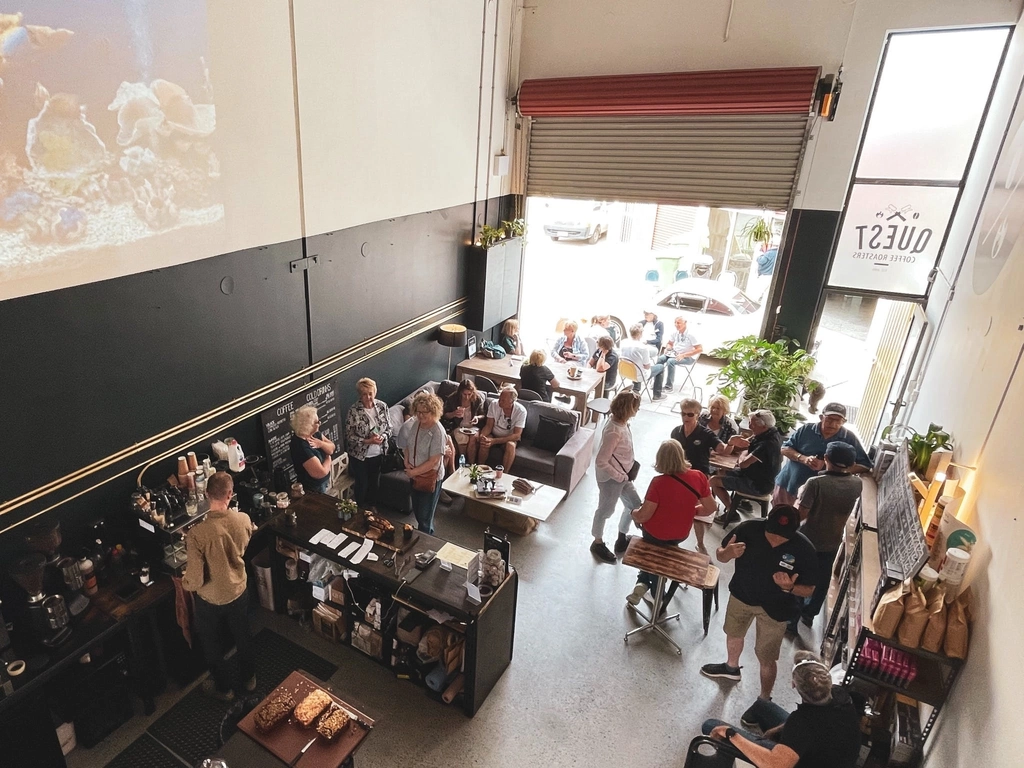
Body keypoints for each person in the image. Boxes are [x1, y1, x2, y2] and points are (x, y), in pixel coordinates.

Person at [700, 506, 817, 710]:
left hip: (776, 609)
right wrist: (727, 553)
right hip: (742, 595)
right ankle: (731, 667)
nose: (776, 540)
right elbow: (720, 554)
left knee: (767, 656)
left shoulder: (805, 549)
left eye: (783, 537)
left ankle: (764, 699)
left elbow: (809, 590)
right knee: (734, 633)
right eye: (772, 533)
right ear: (766, 522)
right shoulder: (748, 529)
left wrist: (789, 588)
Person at [702, 651, 862, 768]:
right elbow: (816, 723)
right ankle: (760, 740)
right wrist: (778, 731)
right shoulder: (841, 694)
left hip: (797, 761)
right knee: (762, 706)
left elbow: (776, 765)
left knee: (711, 725)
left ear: (793, 684)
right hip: (835, 755)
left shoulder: (801, 723)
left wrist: (731, 734)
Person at [182, 472, 256, 701]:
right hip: (238, 589)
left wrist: (184, 581)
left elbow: (195, 580)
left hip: (210, 599)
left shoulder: (196, 534)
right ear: (230, 494)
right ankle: (249, 679)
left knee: (211, 644)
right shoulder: (242, 519)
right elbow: (242, 544)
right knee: (242, 635)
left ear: (206, 495)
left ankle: (224, 689)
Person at [626, 440, 716, 605]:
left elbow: (645, 515)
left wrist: (633, 514)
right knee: (661, 552)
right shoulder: (698, 477)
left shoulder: (658, 483)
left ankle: (654, 591)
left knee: (651, 548)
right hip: (680, 534)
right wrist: (691, 511)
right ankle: (643, 583)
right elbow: (711, 507)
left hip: (655, 533)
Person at [792, 442, 863, 630]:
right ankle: (809, 614)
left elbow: (801, 514)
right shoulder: (857, 484)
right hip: (832, 540)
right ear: (851, 464)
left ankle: (792, 618)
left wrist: (799, 498)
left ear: (826, 459)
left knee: (799, 577)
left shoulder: (816, 483)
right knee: (821, 579)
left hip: (807, 539)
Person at [670, 398, 745, 552]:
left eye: (690, 414)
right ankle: (672, 537)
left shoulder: (705, 434)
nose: (685, 417)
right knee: (674, 507)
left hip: (699, 477)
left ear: (697, 415)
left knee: (699, 513)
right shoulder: (676, 431)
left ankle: (700, 543)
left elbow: (722, 449)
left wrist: (731, 443)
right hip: (679, 475)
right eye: (683, 413)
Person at [774, 402, 871, 508]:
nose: (833, 424)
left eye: (837, 421)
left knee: (803, 523)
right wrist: (803, 458)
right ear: (821, 417)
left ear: (844, 422)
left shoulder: (849, 438)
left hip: (818, 496)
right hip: (788, 485)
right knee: (778, 518)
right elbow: (784, 448)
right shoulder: (807, 429)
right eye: (829, 419)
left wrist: (835, 469)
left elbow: (865, 465)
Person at [590, 391, 643, 562]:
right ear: (628, 409)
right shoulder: (614, 430)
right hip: (611, 479)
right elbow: (601, 461)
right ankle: (597, 542)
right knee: (605, 510)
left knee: (634, 505)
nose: (638, 410)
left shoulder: (623, 423)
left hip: (623, 477)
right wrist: (619, 476)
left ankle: (622, 538)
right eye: (636, 407)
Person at [710, 409, 783, 526]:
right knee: (720, 471)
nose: (749, 426)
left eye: (752, 424)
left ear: (763, 426)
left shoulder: (768, 444)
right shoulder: (769, 432)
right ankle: (739, 503)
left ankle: (731, 512)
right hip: (754, 474)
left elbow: (743, 464)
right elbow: (745, 446)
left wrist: (742, 454)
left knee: (713, 481)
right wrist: (736, 444)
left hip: (759, 484)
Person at [396, 391, 447, 534]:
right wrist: (406, 461)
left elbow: (434, 461)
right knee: (418, 512)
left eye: (425, 412)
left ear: (433, 411)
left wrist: (414, 472)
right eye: (418, 412)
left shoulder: (438, 431)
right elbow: (408, 446)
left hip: (429, 477)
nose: (420, 415)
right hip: (414, 475)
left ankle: (427, 546)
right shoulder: (416, 424)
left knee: (425, 517)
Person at [345, 378, 393, 507]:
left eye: (370, 393)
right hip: (359, 456)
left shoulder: (382, 406)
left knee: (374, 483)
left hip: (378, 453)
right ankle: (360, 508)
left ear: (375, 392)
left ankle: (372, 506)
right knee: (362, 483)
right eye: (365, 394)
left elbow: (389, 428)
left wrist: (382, 436)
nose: (368, 397)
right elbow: (349, 436)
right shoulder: (353, 410)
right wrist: (368, 441)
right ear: (360, 395)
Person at [289, 404, 335, 494]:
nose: (319, 423)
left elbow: (332, 447)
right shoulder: (301, 447)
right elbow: (320, 472)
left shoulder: (314, 434)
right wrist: (328, 457)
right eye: (317, 422)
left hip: (323, 483)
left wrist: (321, 444)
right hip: (313, 488)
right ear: (308, 426)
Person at [479, 387, 527, 472]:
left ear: (511, 402)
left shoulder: (521, 411)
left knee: (511, 446)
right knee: (484, 442)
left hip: (509, 438)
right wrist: (482, 436)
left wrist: (494, 441)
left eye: (503, 400)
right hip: (493, 434)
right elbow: (489, 426)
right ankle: (479, 469)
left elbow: (516, 435)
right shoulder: (494, 404)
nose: (499, 402)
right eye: (499, 398)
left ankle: (504, 474)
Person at [442, 379, 487, 463]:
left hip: (473, 426)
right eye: (464, 394)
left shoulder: (477, 399)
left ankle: (471, 465)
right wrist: (454, 414)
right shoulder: (453, 399)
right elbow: (445, 415)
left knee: (473, 439)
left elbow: (483, 415)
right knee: (462, 438)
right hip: (458, 426)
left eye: (469, 394)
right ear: (460, 392)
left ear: (472, 392)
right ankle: (462, 463)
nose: (467, 397)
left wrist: (477, 417)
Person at [620, 324, 667, 400]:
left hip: (624, 371)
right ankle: (657, 395)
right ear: (640, 334)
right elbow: (647, 366)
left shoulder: (623, 342)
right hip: (638, 374)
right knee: (660, 367)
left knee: (637, 365)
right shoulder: (643, 347)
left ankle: (636, 389)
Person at [659, 316, 702, 392]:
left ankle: (669, 387)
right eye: (675, 322)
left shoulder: (691, 334)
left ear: (685, 323)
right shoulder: (675, 332)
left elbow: (699, 349)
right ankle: (657, 383)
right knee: (660, 359)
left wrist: (684, 355)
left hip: (687, 357)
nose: (676, 324)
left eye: (678, 323)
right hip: (674, 353)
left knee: (670, 361)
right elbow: (669, 343)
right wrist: (668, 348)